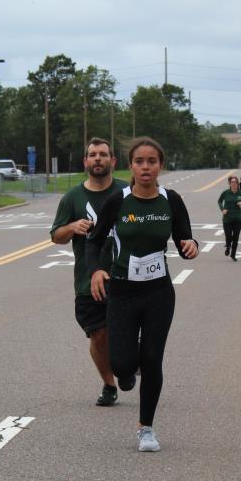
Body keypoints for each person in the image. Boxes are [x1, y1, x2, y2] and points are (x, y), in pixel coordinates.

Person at [86, 137, 199, 452]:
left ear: (160, 165)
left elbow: (185, 240)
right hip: (122, 292)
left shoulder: (171, 200)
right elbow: (94, 241)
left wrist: (192, 245)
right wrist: (96, 270)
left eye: (152, 161)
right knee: (122, 366)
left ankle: (146, 428)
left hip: (158, 292)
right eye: (139, 161)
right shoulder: (118, 201)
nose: (146, 167)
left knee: (152, 359)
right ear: (130, 166)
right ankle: (126, 370)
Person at [49, 137, 129, 407]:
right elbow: (56, 236)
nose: (97, 158)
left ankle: (127, 365)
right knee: (99, 335)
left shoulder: (126, 192)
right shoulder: (73, 198)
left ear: (112, 161)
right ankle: (109, 384)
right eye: (93, 154)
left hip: (127, 276)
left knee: (125, 332)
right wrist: (72, 227)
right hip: (88, 280)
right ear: (85, 161)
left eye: (103, 154)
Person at [217, 176, 241, 260]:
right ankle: (228, 246)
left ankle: (233, 255)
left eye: (235, 182)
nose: (233, 184)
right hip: (227, 219)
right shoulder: (226, 193)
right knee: (228, 236)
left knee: (236, 238)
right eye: (232, 182)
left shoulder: (240, 193)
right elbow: (219, 201)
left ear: (237, 184)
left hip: (238, 219)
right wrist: (222, 209)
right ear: (230, 184)